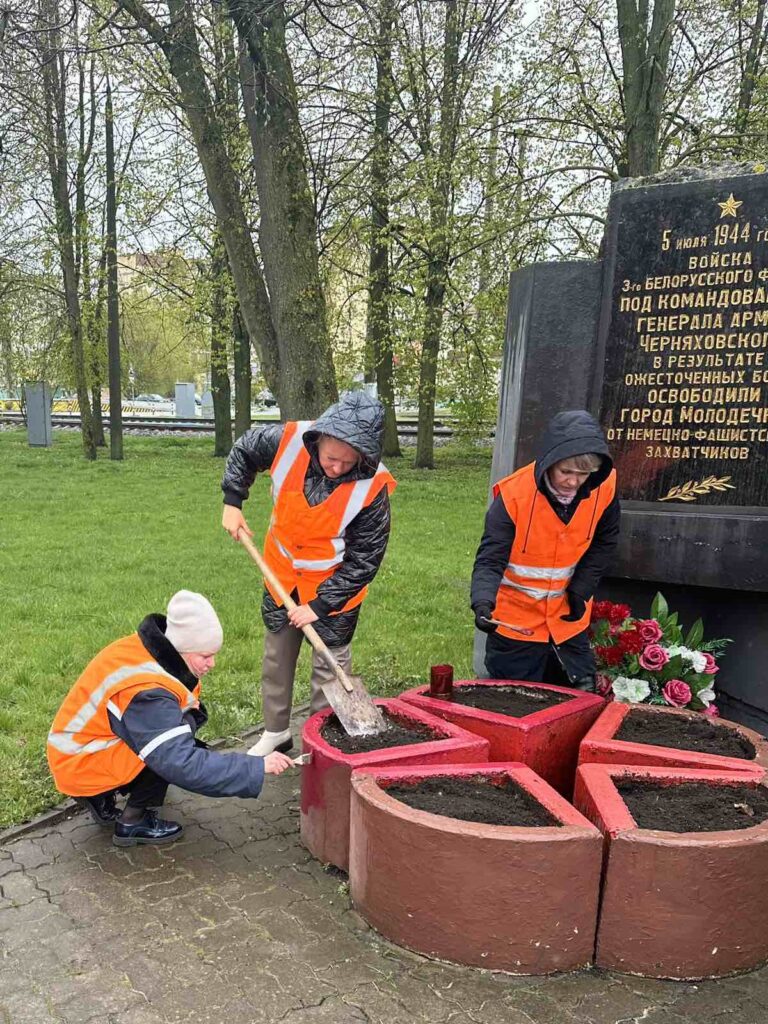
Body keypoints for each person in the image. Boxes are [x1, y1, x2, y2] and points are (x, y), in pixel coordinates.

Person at [221, 391, 396, 756]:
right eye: (332, 458)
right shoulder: (287, 441)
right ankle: (275, 732)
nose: (337, 468)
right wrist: (232, 502)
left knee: (329, 672)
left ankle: (319, 746)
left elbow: (365, 559)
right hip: (281, 576)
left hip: (335, 591)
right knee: (276, 658)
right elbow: (244, 450)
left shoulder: (373, 488)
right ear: (320, 438)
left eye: (348, 463)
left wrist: (320, 606)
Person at [47, 590, 293, 847]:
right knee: (173, 743)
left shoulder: (142, 651)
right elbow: (181, 764)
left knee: (176, 729)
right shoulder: (146, 692)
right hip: (80, 765)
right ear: (183, 649)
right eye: (205, 656)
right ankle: (133, 822)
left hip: (77, 754)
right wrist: (255, 767)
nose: (213, 664)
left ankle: (99, 796)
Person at [470, 410, 620, 692]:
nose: (574, 482)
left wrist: (581, 589)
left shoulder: (605, 486)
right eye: (566, 472)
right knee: (515, 708)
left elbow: (604, 542)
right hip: (517, 627)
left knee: (576, 706)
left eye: (583, 474)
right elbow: (491, 559)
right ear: (550, 462)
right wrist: (482, 601)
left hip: (567, 621)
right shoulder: (514, 496)